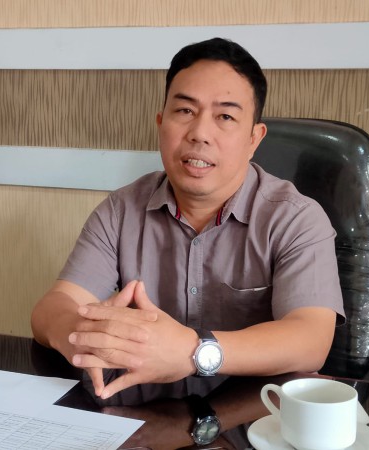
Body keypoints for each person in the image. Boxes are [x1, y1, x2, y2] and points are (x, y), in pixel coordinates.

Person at [31, 37, 344, 403]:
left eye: (225, 117)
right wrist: (82, 334)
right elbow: (52, 309)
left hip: (250, 419)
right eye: (184, 111)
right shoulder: (121, 210)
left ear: (253, 138)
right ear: (161, 122)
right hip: (142, 416)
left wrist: (194, 351)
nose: (199, 134)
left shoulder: (296, 218)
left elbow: (311, 340)